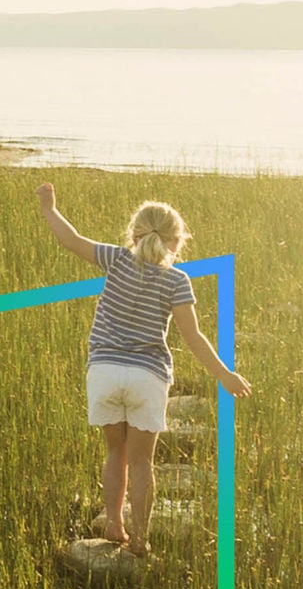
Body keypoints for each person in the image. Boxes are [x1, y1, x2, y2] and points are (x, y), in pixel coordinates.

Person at [34, 183, 250, 558]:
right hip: (147, 376)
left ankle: (113, 523)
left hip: (103, 371)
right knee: (142, 461)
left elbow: (70, 239)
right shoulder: (177, 280)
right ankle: (139, 538)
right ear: (176, 243)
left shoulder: (116, 260)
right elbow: (193, 337)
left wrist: (49, 207)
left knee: (114, 454)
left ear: (133, 235)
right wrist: (224, 375)